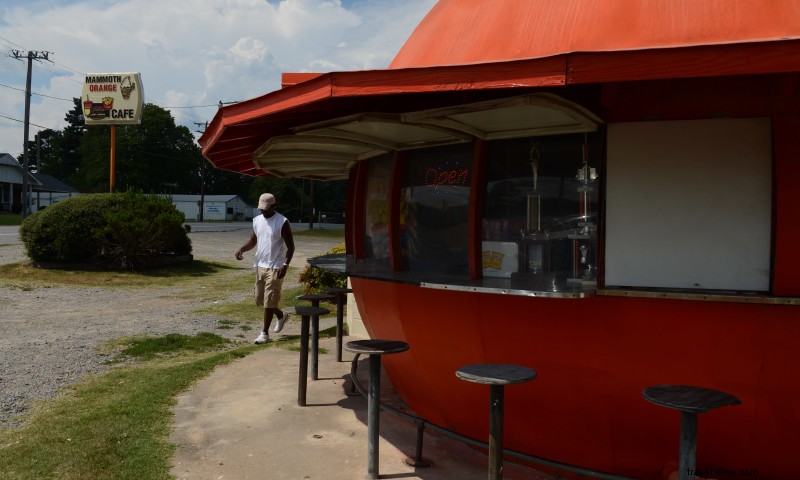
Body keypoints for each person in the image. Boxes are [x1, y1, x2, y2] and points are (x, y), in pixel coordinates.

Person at [235, 193, 295, 344]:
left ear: (273, 206)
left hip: (276, 266)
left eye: (265, 208)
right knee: (260, 299)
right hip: (260, 265)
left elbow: (291, 247)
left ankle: (264, 334)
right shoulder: (257, 221)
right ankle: (281, 315)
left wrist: (285, 265)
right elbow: (253, 240)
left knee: (269, 300)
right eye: (260, 208)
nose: (262, 211)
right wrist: (241, 249)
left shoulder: (282, 222)